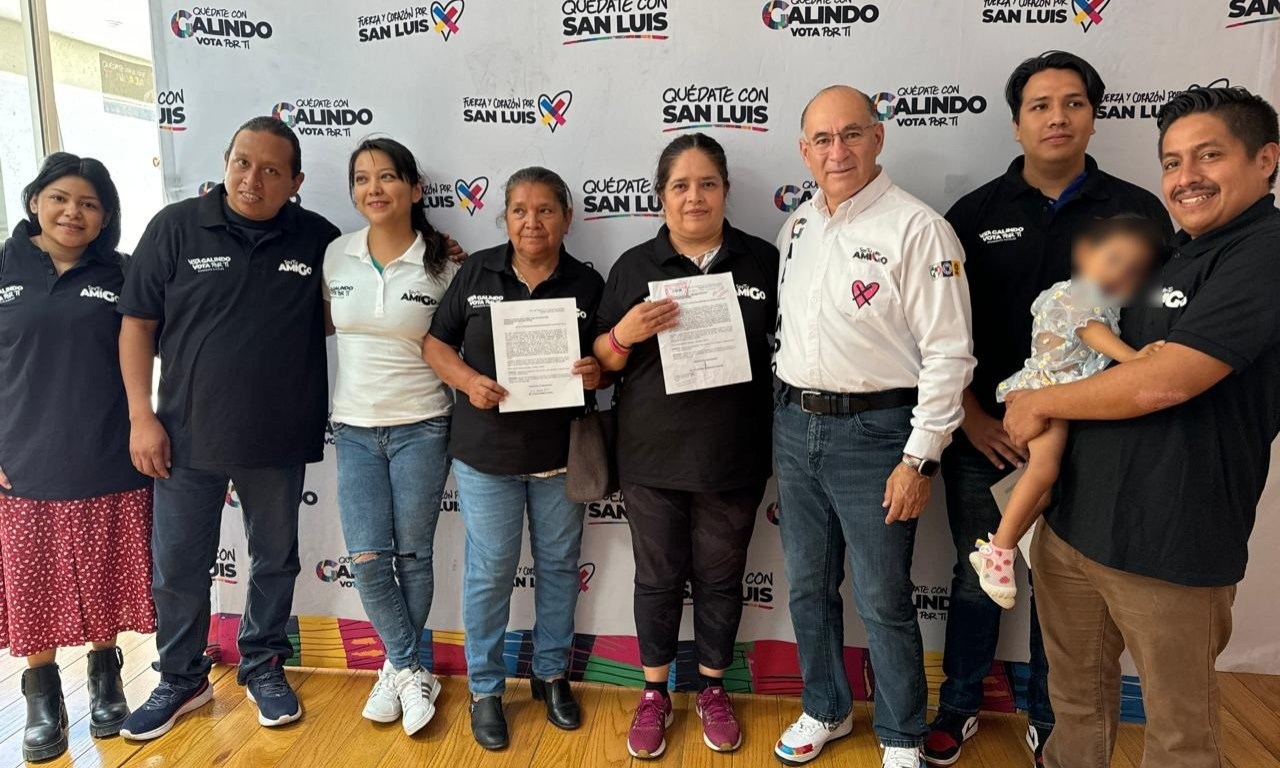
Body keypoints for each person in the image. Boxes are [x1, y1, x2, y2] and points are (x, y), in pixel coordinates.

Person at [1002, 86, 1279, 768]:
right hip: (1076, 527)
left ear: (1266, 159)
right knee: (1075, 706)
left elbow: (1167, 380)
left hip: (1173, 540)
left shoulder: (1264, 252)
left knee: (1180, 735)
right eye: (1173, 161)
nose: (1186, 177)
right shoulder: (1173, 254)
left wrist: (1042, 403)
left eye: (1209, 156)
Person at [927, 51, 1170, 768]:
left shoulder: (1139, 213)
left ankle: (1052, 718)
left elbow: (1157, 322)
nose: (1056, 117)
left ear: (1094, 116)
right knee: (980, 574)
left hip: (1097, 440)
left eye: (1072, 103)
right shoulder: (973, 215)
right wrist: (972, 416)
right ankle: (958, 706)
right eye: (1039, 105)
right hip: (990, 437)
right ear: (1016, 123)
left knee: (1068, 591)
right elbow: (938, 331)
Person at [116, 116, 340, 740]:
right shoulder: (174, 227)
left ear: (295, 182)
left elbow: (359, 293)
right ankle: (181, 678)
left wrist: (440, 250)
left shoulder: (319, 239)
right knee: (178, 566)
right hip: (184, 435)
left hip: (278, 436)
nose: (252, 180)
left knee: (275, 560)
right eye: (243, 162)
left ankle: (263, 664)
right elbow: (136, 324)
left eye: (271, 170)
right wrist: (140, 416)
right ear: (225, 159)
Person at [772, 85, 975, 768]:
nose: (838, 151)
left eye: (852, 134)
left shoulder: (918, 228)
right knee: (807, 586)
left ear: (878, 137)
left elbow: (950, 354)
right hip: (794, 427)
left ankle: (900, 734)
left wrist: (920, 459)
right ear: (804, 150)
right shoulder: (798, 225)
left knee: (884, 597)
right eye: (823, 139)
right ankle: (825, 707)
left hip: (878, 435)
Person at [592, 133, 779, 759]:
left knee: (722, 579)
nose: (694, 197)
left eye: (707, 184)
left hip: (734, 456)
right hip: (651, 457)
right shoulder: (633, 267)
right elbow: (601, 365)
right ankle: (654, 694)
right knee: (658, 578)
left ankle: (712, 688)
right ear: (661, 197)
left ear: (725, 191)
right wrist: (624, 333)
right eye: (680, 185)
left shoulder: (762, 261)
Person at [424, 166, 604, 751]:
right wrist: (468, 381)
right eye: (520, 210)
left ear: (567, 218)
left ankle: (551, 676)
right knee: (491, 572)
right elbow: (435, 344)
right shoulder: (477, 271)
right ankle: (484, 688)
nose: (532, 222)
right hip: (486, 456)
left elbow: (609, 358)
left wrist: (596, 371)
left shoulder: (588, 282)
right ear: (504, 218)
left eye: (546, 210)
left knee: (559, 567)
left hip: (560, 456)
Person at [0, 154, 153, 761]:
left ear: (106, 217)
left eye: (89, 204)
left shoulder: (124, 272)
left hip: (107, 453)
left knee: (103, 574)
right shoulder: (4, 265)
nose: (73, 213)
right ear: (34, 200)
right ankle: (42, 696)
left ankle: (106, 677)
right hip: (23, 459)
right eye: (60, 198)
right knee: (32, 581)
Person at [323, 137, 460, 735]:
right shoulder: (335, 255)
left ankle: (396, 670)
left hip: (423, 426)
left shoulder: (445, 264)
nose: (372, 189)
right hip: (353, 429)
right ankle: (407, 668)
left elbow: (460, 344)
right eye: (361, 178)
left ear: (414, 189)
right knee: (367, 558)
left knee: (412, 556)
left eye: (386, 177)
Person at [971, 216, 1167, 608]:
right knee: (1044, 472)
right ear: (1086, 255)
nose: (1119, 275)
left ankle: (997, 545)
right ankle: (1000, 550)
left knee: (1045, 488)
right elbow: (1088, 330)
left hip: (1058, 395)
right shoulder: (1075, 292)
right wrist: (1134, 359)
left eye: (1133, 272)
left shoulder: (1109, 305)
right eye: (1114, 260)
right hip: (1043, 391)